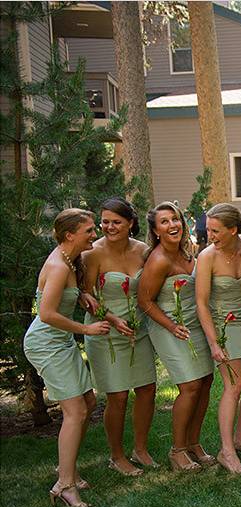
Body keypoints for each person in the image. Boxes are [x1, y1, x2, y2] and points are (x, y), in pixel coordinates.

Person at [25, 209, 110, 507]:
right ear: (70, 234)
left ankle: (69, 469)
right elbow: (46, 314)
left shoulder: (69, 260)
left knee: (86, 404)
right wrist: (86, 328)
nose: (95, 235)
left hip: (59, 342)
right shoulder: (59, 266)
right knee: (75, 411)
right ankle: (64, 485)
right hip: (46, 343)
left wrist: (83, 297)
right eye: (89, 230)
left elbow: (62, 298)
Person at [82, 198, 157, 476]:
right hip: (106, 333)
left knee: (147, 389)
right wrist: (111, 319)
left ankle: (140, 448)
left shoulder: (144, 251)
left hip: (140, 331)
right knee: (118, 396)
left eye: (116, 222)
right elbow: (85, 296)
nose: (108, 227)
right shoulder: (92, 254)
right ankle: (116, 455)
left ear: (130, 224)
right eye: (105, 222)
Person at [139, 202, 215, 471]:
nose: (173, 225)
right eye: (165, 222)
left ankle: (194, 443)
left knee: (206, 382)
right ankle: (177, 450)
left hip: (193, 323)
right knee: (190, 386)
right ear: (156, 230)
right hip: (168, 326)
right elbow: (145, 301)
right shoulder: (159, 260)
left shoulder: (188, 252)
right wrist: (171, 326)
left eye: (176, 219)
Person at [195, 203, 241, 474]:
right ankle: (226, 451)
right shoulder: (207, 257)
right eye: (209, 230)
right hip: (223, 326)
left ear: (233, 230)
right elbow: (201, 303)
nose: (209, 235)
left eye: (215, 230)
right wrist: (214, 342)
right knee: (234, 386)